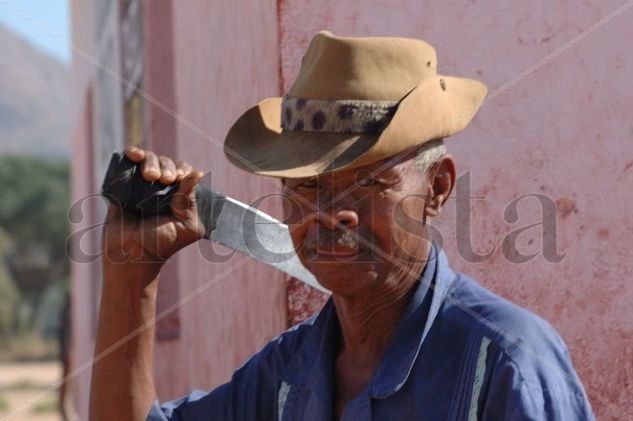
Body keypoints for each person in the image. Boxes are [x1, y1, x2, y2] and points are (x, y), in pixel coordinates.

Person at [90, 32, 595, 420]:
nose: (334, 212)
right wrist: (132, 273)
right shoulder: (290, 374)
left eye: (371, 183)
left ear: (437, 189)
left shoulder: (504, 362)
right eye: (308, 186)